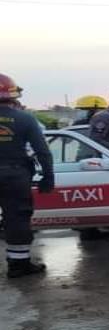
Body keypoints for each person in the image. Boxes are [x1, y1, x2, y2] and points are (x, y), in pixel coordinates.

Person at [0, 73, 54, 278]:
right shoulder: (24, 118)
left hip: (14, 173)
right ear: (13, 95)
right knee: (17, 219)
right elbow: (43, 151)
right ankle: (18, 265)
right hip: (15, 175)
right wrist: (48, 177)